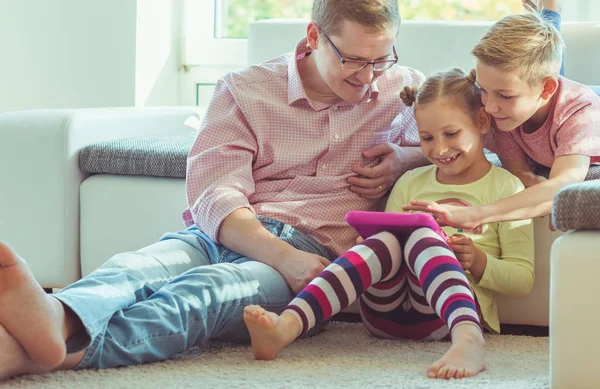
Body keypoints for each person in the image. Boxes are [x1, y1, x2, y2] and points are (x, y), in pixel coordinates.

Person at [0, 0, 430, 381]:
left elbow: (471, 155)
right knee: (135, 268)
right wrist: (284, 256)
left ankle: (43, 355)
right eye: (354, 60)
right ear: (314, 36)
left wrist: (407, 158)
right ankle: (56, 317)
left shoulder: (407, 90)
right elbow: (214, 192)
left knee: (207, 292)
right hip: (226, 235)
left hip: (311, 253)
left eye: (381, 59)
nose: (368, 77)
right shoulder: (247, 89)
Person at [242, 68, 534, 380]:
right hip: (385, 313)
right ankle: (287, 326)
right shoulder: (409, 182)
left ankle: (469, 341)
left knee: (423, 235)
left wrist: (477, 261)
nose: (439, 149)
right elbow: (389, 243)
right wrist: (364, 248)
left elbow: (522, 280)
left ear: (481, 122)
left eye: (451, 134)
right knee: (385, 240)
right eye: (426, 138)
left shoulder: (507, 189)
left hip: (444, 318)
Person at [403, 1, 600, 230]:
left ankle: (549, 11)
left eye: (505, 96)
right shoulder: (501, 112)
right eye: (483, 89)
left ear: (547, 89)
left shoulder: (580, 111)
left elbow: (563, 187)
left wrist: (477, 214)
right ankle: (547, 13)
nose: (489, 107)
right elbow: (521, 175)